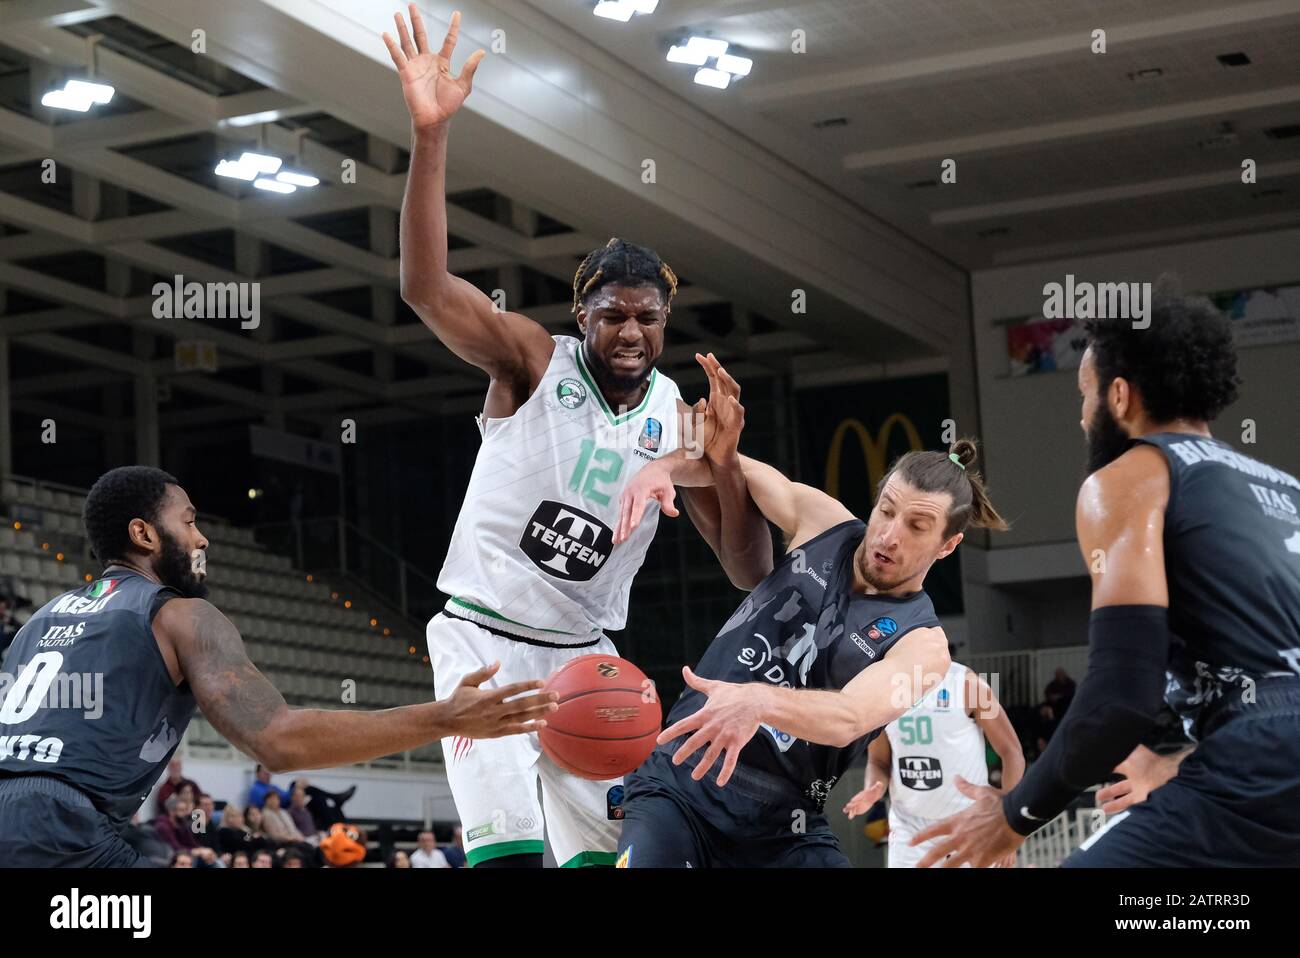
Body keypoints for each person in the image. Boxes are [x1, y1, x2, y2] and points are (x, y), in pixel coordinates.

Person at [383, 7, 773, 868]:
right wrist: (431, 133)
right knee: (511, 854)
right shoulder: (529, 360)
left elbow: (751, 572)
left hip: (587, 659)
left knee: (614, 858)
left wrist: (723, 464)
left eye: (649, 317)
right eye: (613, 315)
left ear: (666, 321)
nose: (631, 331)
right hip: (483, 637)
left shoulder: (680, 414)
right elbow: (423, 286)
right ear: (581, 315)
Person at [912, 286, 1300, 867]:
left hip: (1255, 765)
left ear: (1119, 396)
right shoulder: (1284, 488)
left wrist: (1014, 814)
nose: (1081, 415)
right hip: (1252, 763)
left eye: (1085, 395)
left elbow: (1121, 697)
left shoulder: (1133, 476)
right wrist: (1180, 764)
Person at [0, 466, 558, 868]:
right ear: (143, 534)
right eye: (189, 521)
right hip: (60, 831)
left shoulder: (37, 622)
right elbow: (280, 741)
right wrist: (445, 718)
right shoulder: (181, 616)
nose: (202, 538)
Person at [611, 355, 1009, 866]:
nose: (889, 534)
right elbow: (723, 459)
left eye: (917, 525)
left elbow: (848, 717)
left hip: (782, 822)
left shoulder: (922, 644)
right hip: (682, 782)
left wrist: (756, 701)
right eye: (887, 509)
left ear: (948, 545)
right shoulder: (825, 521)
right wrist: (660, 468)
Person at [843, 662, 1025, 867]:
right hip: (909, 826)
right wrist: (873, 789)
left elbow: (1012, 752)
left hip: (970, 821)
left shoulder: (968, 683)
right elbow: (878, 761)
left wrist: (1010, 821)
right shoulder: (881, 691)